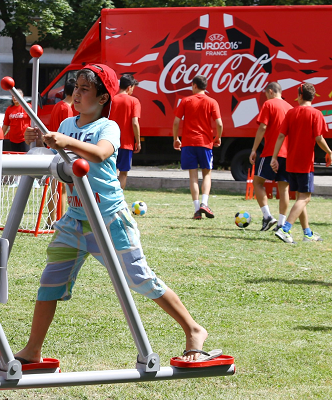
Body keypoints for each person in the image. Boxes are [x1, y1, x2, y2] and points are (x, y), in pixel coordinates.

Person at [18, 64, 212, 365]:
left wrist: (64, 142)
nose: (77, 94)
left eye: (85, 89)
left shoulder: (107, 127)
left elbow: (100, 153)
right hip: (74, 220)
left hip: (109, 219)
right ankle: (32, 350)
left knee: (140, 279)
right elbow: (54, 161)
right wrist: (37, 139)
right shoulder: (68, 125)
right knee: (49, 283)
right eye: (76, 88)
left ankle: (194, 329)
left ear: (103, 98)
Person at [271, 83, 332, 244]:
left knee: (300, 197)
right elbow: (319, 138)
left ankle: (307, 233)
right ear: (313, 97)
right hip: (305, 163)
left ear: (300, 95)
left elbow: (280, 136)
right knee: (305, 198)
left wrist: (274, 157)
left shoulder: (291, 113)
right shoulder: (316, 114)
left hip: (291, 162)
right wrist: (329, 152)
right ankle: (285, 229)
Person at [172, 75, 223, 219]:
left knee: (193, 176)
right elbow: (219, 123)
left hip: (188, 143)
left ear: (194, 85)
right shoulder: (212, 102)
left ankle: (196, 210)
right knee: (207, 174)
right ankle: (204, 204)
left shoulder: (185, 101)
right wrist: (218, 137)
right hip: (205, 143)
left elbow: (176, 122)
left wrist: (176, 138)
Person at [249, 82, 293, 231]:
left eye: (266, 94)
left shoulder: (269, 104)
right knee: (284, 189)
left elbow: (263, 127)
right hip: (287, 153)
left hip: (270, 152)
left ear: (270, 92)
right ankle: (281, 223)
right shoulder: (290, 108)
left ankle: (267, 216)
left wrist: (254, 149)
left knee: (258, 182)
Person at [109, 74, 140, 189]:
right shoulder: (134, 101)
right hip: (126, 143)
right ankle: (119, 198)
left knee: (110, 172)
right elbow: (135, 123)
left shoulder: (111, 100)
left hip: (110, 143)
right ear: (129, 87)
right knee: (123, 173)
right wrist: (138, 141)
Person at [2, 88, 31, 153]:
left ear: (22, 96)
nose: (14, 98)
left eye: (16, 96)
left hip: (25, 139)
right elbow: (5, 124)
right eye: (13, 96)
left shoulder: (28, 107)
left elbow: (35, 122)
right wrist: (0, 136)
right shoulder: (9, 109)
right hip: (13, 138)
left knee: (25, 157)